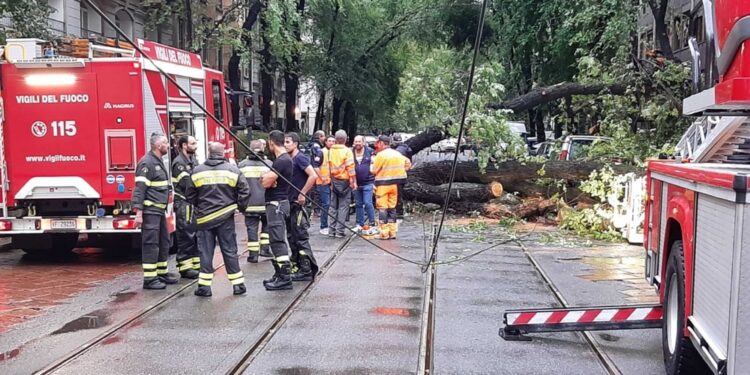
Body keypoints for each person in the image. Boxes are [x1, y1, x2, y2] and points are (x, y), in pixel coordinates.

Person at [187, 142, 250, 297]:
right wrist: (240, 207)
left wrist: (201, 206)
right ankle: (238, 285)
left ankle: (204, 287)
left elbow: (190, 195)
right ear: (223, 153)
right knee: (229, 250)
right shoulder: (233, 170)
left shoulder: (197, 171)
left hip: (204, 219)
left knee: (206, 252)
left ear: (209, 152)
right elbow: (244, 191)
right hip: (226, 217)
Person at [133, 133, 177, 290]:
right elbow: (140, 189)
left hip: (159, 212)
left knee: (164, 242)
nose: (168, 145)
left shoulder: (158, 161)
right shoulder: (147, 163)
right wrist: (139, 213)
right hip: (150, 212)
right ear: (158, 146)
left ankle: (161, 272)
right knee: (151, 244)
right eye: (166, 143)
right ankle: (150, 279)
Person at [261, 130, 295, 291]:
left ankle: (284, 276)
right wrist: (269, 178)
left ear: (271, 143)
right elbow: (269, 180)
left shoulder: (281, 161)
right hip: (278, 204)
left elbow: (266, 183)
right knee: (275, 239)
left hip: (276, 205)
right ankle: (279, 273)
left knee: (277, 239)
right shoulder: (282, 160)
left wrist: (267, 177)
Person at [284, 132, 319, 281]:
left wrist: (303, 193)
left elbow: (313, 175)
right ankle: (297, 264)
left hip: (299, 204)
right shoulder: (289, 159)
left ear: (296, 143)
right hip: (290, 202)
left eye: (288, 142)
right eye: (284, 142)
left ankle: (307, 268)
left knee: (300, 236)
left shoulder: (300, 159)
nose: (285, 145)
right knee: (291, 236)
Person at [171, 135, 200, 279]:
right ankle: (185, 267)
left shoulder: (191, 160)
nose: (196, 146)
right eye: (193, 143)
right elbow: (187, 183)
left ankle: (195, 264)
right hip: (184, 203)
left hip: (191, 203)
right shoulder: (179, 163)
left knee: (194, 233)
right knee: (186, 234)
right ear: (184, 145)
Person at [371, 135, 412, 239]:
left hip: (383, 185)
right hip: (395, 185)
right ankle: (392, 232)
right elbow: (408, 164)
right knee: (392, 208)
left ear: (381, 143)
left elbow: (374, 170)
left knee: (382, 208)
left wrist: (371, 165)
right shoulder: (397, 154)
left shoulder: (380, 155)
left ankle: (384, 233)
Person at [239, 140, 272, 263]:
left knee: (251, 229)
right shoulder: (269, 164)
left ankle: (253, 255)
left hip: (249, 204)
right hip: (266, 203)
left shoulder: (242, 165)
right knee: (266, 228)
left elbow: (238, 186)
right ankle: (265, 249)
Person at [327, 130, 356, 238]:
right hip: (345, 182)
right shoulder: (347, 151)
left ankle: (331, 230)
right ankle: (340, 231)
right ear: (345, 139)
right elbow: (351, 167)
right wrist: (353, 181)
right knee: (343, 207)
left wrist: (330, 182)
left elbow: (329, 167)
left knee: (333, 206)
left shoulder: (331, 151)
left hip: (334, 181)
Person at [352, 135, 377, 235]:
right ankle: (359, 224)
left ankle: (372, 223)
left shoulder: (370, 151)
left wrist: (375, 182)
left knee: (367, 202)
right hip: (355, 182)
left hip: (368, 182)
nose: (358, 143)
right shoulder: (350, 152)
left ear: (363, 142)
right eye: (356, 141)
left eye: (359, 141)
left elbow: (375, 165)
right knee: (358, 204)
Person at [312, 135, 332, 235]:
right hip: (323, 183)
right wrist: (322, 177)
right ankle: (323, 226)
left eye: (333, 141)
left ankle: (331, 225)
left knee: (331, 205)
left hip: (332, 183)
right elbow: (315, 166)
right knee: (326, 204)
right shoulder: (321, 152)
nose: (332, 143)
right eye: (330, 141)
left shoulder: (334, 153)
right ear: (325, 142)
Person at [391, 134, 413, 221]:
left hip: (397, 175)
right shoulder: (406, 148)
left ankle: (399, 212)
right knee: (399, 193)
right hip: (402, 174)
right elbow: (409, 161)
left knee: (397, 194)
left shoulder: (397, 151)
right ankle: (398, 211)